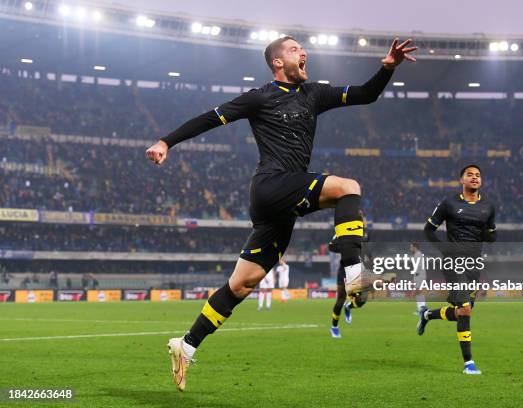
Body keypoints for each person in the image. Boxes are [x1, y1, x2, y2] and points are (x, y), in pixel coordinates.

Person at [146, 35, 417, 392]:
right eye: (294, 49)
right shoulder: (260, 97)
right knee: (348, 187)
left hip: (280, 208)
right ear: (277, 62)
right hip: (272, 186)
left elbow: (366, 93)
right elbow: (209, 119)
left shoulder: (314, 94)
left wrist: (387, 68)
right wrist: (167, 141)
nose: (303, 53)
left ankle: (187, 344)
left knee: (242, 284)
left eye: (303, 49)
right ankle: (355, 275)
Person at [417, 164, 496, 375]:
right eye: (470, 175)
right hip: (453, 263)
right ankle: (468, 363)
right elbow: (429, 231)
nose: (474, 178)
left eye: (478, 175)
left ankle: (427, 316)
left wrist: (487, 234)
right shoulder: (449, 203)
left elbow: (492, 235)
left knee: (461, 312)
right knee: (466, 310)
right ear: (462, 180)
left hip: (473, 265)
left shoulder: (488, 206)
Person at [329, 210, 369, 338]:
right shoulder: (344, 230)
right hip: (344, 269)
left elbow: (366, 250)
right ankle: (334, 327)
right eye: (360, 217)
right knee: (340, 298)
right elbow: (331, 246)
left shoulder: (365, 233)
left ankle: (349, 307)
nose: (362, 220)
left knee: (362, 299)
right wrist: (346, 248)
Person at [409, 242, 427, 314]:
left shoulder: (418, 255)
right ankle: (421, 309)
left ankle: (422, 309)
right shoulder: (417, 255)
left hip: (420, 275)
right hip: (418, 275)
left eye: (411, 247)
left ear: (414, 247)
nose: (410, 249)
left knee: (418, 292)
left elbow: (419, 266)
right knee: (419, 294)